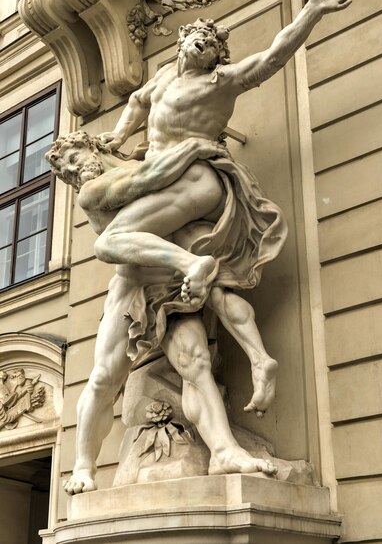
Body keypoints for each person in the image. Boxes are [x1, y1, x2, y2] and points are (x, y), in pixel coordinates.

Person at [47, 132, 280, 494]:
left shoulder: (139, 162)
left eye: (74, 159)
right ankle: (83, 467)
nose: (75, 172)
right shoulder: (95, 193)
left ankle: (225, 451)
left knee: (196, 362)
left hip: (172, 284)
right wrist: (195, 147)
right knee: (105, 379)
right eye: (67, 172)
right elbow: (145, 180)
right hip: (132, 288)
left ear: (94, 147)